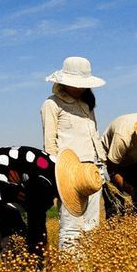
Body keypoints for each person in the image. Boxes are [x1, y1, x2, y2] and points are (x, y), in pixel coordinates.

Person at [0, 147, 102, 266]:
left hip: (4, 191)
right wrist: (44, 265)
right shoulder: (43, 184)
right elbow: (36, 229)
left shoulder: (52, 169)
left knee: (16, 239)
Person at [41, 56, 106, 250]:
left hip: (92, 171)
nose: (79, 88)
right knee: (71, 227)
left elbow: (94, 135)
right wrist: (56, 176)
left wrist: (101, 165)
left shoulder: (87, 105)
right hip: (69, 172)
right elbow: (50, 145)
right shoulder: (51, 105)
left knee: (92, 226)